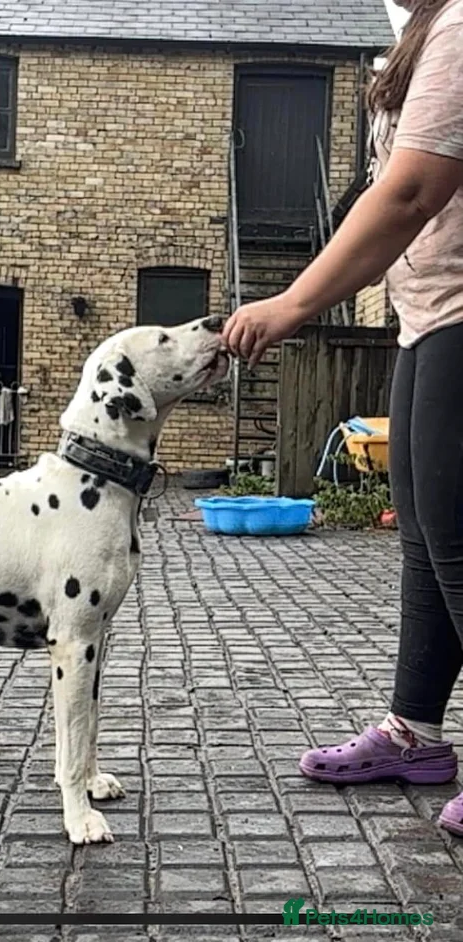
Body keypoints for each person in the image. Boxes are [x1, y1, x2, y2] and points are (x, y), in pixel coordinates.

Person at [222, 0, 463, 836]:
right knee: (426, 542)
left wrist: (293, 300)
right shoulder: (424, 31)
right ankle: (416, 735)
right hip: (429, 317)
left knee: (458, 541)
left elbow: (411, 192)